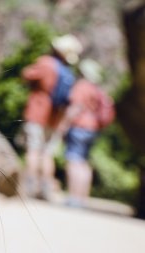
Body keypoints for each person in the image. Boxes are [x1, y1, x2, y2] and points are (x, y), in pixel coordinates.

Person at [21, 34, 83, 199]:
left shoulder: (45, 63)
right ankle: (46, 189)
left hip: (37, 112)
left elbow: (26, 74)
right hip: (55, 118)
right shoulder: (68, 73)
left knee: (33, 150)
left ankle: (28, 187)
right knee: (47, 154)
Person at [55, 59, 114, 207]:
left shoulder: (81, 86)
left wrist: (63, 125)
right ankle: (83, 198)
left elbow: (75, 108)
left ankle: (74, 198)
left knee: (73, 160)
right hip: (92, 129)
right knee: (83, 162)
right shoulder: (96, 89)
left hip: (79, 126)